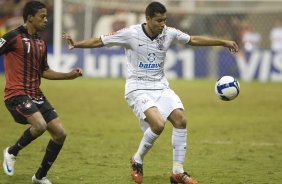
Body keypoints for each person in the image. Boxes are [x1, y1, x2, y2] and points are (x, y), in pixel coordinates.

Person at [63, 1, 238, 184]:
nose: (163, 24)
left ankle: (177, 172)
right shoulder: (131, 34)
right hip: (137, 87)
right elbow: (100, 41)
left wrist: (223, 41)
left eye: (165, 20)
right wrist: (76, 44)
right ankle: (137, 160)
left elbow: (193, 39)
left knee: (181, 120)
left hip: (160, 86)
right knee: (158, 124)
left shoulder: (168, 33)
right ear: (148, 19)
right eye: (159, 21)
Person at [0, 1, 83, 184]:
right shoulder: (12, 37)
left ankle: (39, 176)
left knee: (60, 134)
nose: (46, 20)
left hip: (36, 95)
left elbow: (44, 71)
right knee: (40, 126)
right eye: (42, 16)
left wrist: (68, 76)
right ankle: (11, 152)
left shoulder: (40, 43)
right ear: (30, 17)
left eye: (46, 16)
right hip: (16, 94)